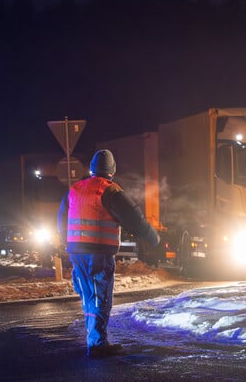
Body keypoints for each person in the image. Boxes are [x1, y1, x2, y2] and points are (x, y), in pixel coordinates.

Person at [57, 149, 160, 357]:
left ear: (92, 169)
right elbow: (134, 218)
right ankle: (97, 344)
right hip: (99, 253)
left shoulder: (75, 189)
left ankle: (94, 339)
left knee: (89, 297)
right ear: (112, 171)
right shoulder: (110, 191)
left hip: (77, 252)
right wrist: (152, 237)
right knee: (100, 298)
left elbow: (62, 218)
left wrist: (64, 242)